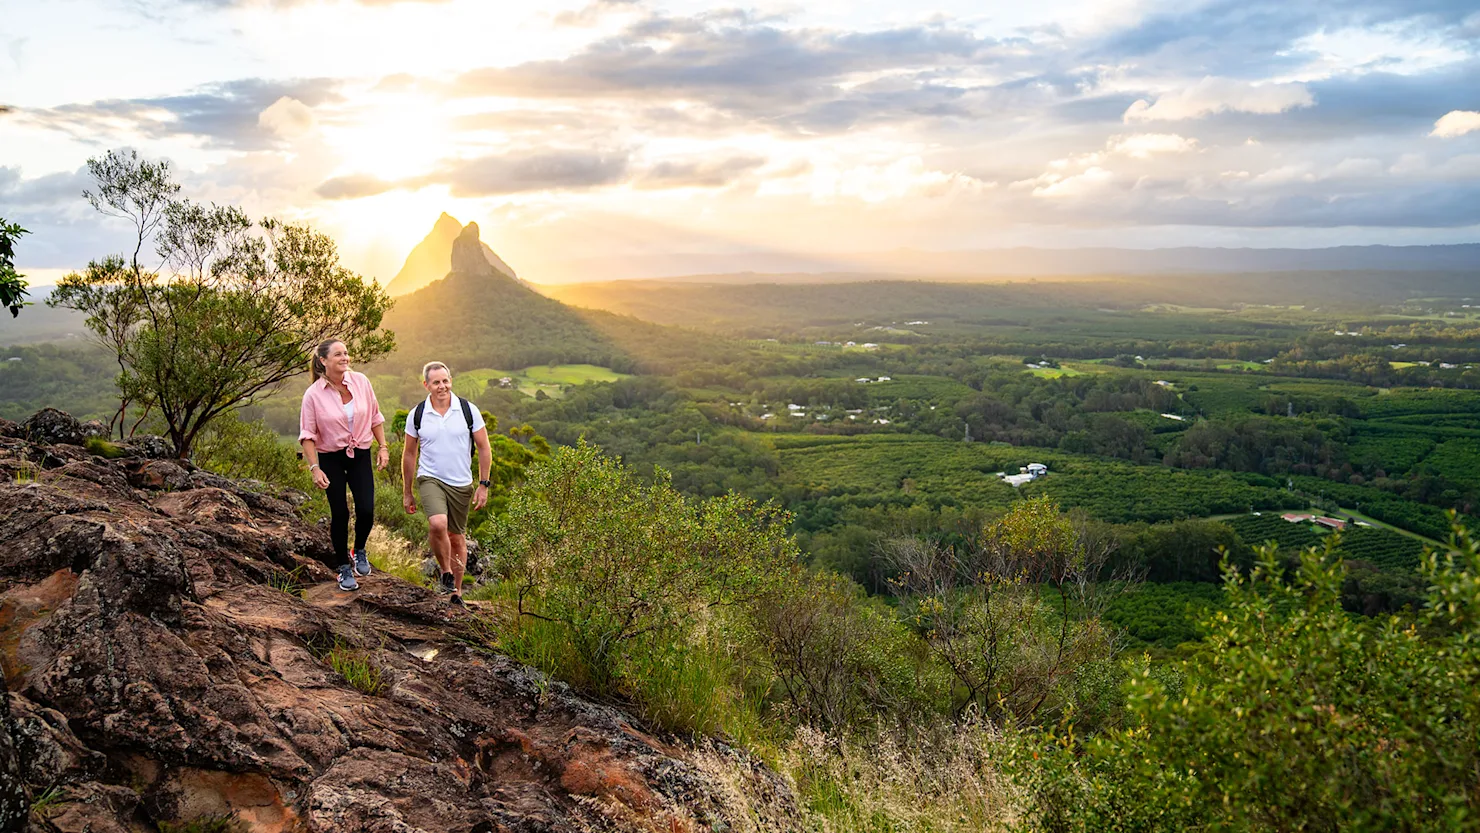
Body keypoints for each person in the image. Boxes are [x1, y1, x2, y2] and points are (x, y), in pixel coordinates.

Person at [299, 338, 390, 591]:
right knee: (340, 513)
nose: (345, 358)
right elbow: (307, 435)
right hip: (331, 458)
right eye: (338, 354)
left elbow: (375, 417)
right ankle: (342, 567)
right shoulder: (313, 395)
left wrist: (383, 447)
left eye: (346, 353)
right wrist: (315, 468)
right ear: (323, 360)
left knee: (367, 510)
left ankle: (358, 550)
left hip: (360, 454)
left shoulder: (361, 382)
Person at [402, 361, 492, 605]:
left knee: (456, 537)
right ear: (426, 385)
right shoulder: (417, 414)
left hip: (461, 483)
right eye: (436, 382)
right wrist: (407, 492)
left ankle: (456, 592)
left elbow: (484, 447)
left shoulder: (468, 410)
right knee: (437, 523)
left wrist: (483, 484)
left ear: (450, 381)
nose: (442, 386)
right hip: (430, 477)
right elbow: (409, 454)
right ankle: (446, 572)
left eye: (445, 381)